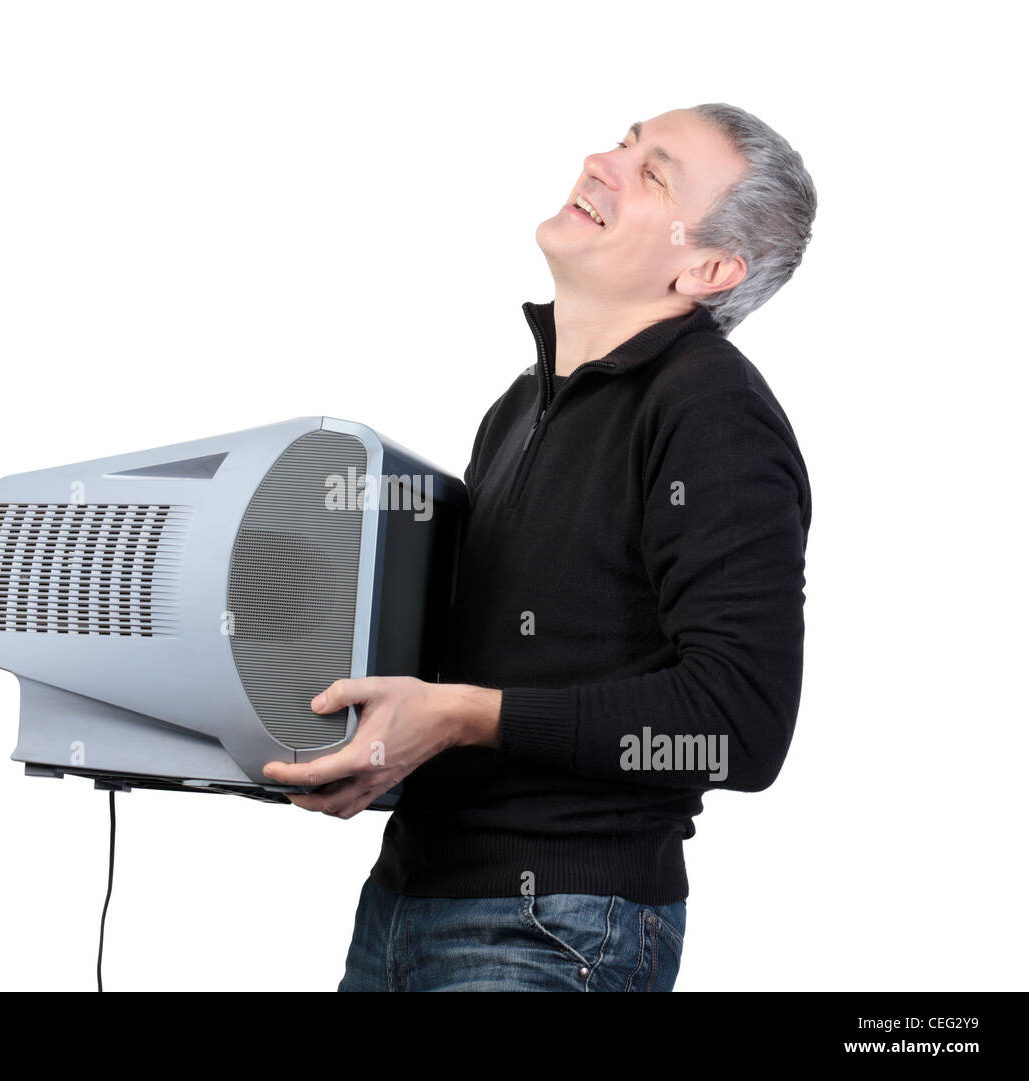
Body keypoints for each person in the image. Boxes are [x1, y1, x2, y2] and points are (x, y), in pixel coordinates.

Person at [262, 103, 816, 992]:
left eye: (655, 175)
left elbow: (740, 723)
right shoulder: (518, 408)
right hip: (405, 905)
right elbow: (490, 667)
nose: (603, 159)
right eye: (626, 141)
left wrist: (461, 715)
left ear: (709, 267)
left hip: (557, 927)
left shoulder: (712, 411)